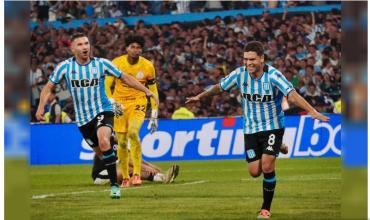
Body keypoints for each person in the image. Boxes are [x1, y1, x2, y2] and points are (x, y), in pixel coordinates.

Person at [186, 41, 329, 218]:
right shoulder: (240, 74)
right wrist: (199, 97)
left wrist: (312, 111)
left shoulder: (274, 76)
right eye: (245, 59)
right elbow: (219, 87)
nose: (248, 63)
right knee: (254, 172)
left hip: (273, 126)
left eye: (252, 59)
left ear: (262, 58)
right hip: (250, 128)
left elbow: (292, 95)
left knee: (268, 166)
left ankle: (265, 208)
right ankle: (278, 147)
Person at [35, 32, 159, 199]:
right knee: (102, 153)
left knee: (104, 140)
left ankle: (115, 186)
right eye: (80, 44)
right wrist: (41, 107)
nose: (85, 47)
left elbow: (125, 78)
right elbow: (47, 87)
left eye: (86, 43)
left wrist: (146, 91)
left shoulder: (101, 64)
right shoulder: (64, 67)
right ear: (72, 49)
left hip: (103, 110)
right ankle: (146, 173)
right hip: (83, 119)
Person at [105, 35, 159, 188]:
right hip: (119, 105)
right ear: (126, 48)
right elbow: (106, 86)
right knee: (121, 142)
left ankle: (136, 174)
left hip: (138, 102)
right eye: (132, 47)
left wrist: (155, 112)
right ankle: (126, 178)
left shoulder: (148, 66)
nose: (136, 50)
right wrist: (112, 102)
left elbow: (153, 90)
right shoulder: (116, 63)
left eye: (138, 48)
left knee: (133, 133)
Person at [92, 136, 180, 185]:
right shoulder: (107, 141)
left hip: (111, 173)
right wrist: (147, 168)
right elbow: (128, 162)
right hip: (101, 176)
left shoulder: (121, 145)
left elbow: (139, 161)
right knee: (130, 168)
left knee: (134, 169)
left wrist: (157, 169)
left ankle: (162, 177)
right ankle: (162, 177)